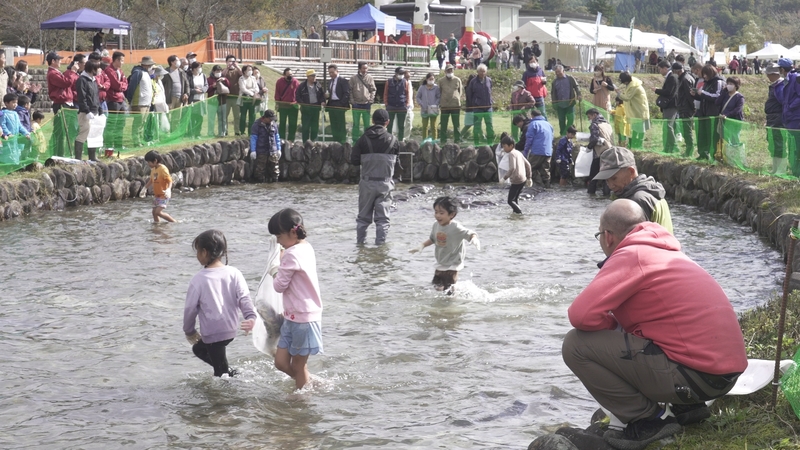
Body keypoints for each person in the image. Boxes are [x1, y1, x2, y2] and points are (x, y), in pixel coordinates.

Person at [561, 198, 746, 449]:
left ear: (607, 236)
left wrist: (611, 328)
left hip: (696, 378)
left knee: (576, 344)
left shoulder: (631, 254)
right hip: (723, 378)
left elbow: (580, 316)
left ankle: (649, 420)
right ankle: (687, 407)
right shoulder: (666, 251)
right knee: (648, 333)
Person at [184, 229, 256, 378]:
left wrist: (189, 331)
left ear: (204, 252)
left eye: (197, 251)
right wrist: (250, 317)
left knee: (220, 374)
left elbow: (190, 309)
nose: (197, 256)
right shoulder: (234, 272)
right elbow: (244, 297)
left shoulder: (198, 279)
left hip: (212, 332)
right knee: (199, 349)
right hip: (230, 329)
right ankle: (229, 372)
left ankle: (224, 397)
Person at [267, 208, 323, 390]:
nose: (278, 241)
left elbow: (279, 286)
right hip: (293, 316)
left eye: (279, 236)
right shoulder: (306, 247)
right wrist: (283, 262)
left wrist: (275, 268)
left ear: (292, 232)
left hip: (303, 318)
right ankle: (308, 382)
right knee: (281, 362)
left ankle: (302, 398)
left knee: (298, 365)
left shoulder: (292, 254)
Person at [408, 196, 480, 294]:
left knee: (449, 292)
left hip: (453, 264)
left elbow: (469, 233)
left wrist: (474, 238)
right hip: (441, 262)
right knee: (437, 287)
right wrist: (422, 246)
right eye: (436, 212)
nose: (437, 215)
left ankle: (451, 307)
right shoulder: (436, 225)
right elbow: (433, 239)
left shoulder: (455, 227)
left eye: (441, 213)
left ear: (452, 214)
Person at [592, 147, 673, 233]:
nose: (610, 185)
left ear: (631, 171)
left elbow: (635, 242)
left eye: (614, 178)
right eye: (606, 180)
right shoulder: (652, 191)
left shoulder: (636, 201)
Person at [351, 109, 402, 245]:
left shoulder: (363, 139)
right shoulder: (394, 141)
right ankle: (380, 248)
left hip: (367, 184)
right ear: (387, 122)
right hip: (385, 184)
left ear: (373, 121)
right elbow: (398, 164)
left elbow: (354, 160)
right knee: (383, 220)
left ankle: (360, 246)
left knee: (363, 219)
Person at [690, 64, 724, 160]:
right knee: (702, 134)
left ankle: (714, 155)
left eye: (706, 74)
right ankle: (703, 154)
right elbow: (703, 98)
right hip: (703, 112)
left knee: (712, 136)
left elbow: (717, 96)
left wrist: (703, 93)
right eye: (703, 74)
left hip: (713, 113)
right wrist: (695, 95)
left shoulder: (718, 82)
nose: (704, 76)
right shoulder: (706, 83)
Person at [46, 52, 73, 157]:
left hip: (65, 102)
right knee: (61, 130)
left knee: (65, 129)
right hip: (60, 103)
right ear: (53, 61)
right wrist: (71, 72)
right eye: (59, 59)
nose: (61, 61)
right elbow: (66, 83)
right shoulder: (53, 73)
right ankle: (59, 154)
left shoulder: (56, 72)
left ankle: (63, 153)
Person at [776, 58, 800, 175]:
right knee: (793, 145)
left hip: (796, 117)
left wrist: (790, 106)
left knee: (797, 144)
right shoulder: (786, 80)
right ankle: (794, 170)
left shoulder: (795, 78)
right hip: (790, 117)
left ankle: (797, 171)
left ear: (782, 69)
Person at [75, 60, 101, 161]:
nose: (99, 70)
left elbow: (96, 96)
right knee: (83, 133)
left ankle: (92, 157)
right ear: (92, 69)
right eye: (97, 68)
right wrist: (87, 111)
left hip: (94, 111)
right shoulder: (82, 80)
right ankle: (78, 158)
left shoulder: (94, 80)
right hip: (85, 113)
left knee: (94, 135)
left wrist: (100, 109)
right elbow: (82, 97)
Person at [125, 56, 155, 147]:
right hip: (139, 103)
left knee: (142, 123)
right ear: (145, 65)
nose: (151, 66)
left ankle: (139, 140)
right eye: (150, 64)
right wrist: (130, 99)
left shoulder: (146, 73)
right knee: (138, 123)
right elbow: (132, 87)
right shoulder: (138, 73)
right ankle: (136, 141)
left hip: (146, 103)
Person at [617, 71, 650, 149]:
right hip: (635, 110)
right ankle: (635, 143)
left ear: (626, 81)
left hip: (639, 110)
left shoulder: (634, 86)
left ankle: (640, 144)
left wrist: (618, 93)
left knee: (641, 129)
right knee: (635, 128)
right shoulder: (631, 83)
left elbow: (627, 98)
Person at [500, 135, 532, 213]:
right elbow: (528, 165)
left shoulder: (511, 154)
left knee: (510, 201)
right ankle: (516, 218)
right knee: (515, 199)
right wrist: (529, 178)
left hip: (517, 180)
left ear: (511, 146)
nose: (503, 148)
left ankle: (520, 213)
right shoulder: (518, 152)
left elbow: (512, 168)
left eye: (504, 146)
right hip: (523, 179)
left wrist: (504, 178)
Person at [585, 108, 614, 195]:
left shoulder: (595, 124)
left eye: (589, 117)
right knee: (606, 177)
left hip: (600, 154)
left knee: (593, 177)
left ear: (594, 115)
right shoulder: (607, 123)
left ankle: (591, 196)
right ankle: (606, 196)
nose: (589, 119)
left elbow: (594, 139)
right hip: (610, 151)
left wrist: (589, 147)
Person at [765, 63, 787, 174]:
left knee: (778, 143)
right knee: (772, 143)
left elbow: (783, 101)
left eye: (768, 74)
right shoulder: (775, 85)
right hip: (771, 117)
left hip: (778, 117)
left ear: (774, 74)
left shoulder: (780, 85)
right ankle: (775, 168)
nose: (767, 76)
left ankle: (781, 169)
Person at [249, 109, 282, 183]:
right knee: (260, 171)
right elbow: (253, 138)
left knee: (275, 171)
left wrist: (278, 149)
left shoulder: (274, 124)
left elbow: (277, 137)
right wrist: (253, 150)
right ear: (265, 117)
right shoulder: (256, 124)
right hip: (261, 151)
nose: (271, 121)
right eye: (270, 119)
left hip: (273, 151)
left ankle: (274, 184)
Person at [523, 109, 554, 187]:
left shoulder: (533, 124)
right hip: (548, 151)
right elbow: (552, 138)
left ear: (532, 116)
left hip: (537, 151)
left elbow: (529, 139)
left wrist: (525, 152)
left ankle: (539, 185)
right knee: (545, 170)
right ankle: (547, 186)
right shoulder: (548, 124)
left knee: (530, 168)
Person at [143, 150, 176, 223]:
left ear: (155, 161)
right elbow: (151, 180)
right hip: (157, 195)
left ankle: (174, 222)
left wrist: (168, 189)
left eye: (149, 162)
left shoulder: (163, 169)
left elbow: (169, 180)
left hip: (163, 195)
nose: (148, 164)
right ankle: (157, 226)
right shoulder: (153, 170)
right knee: (154, 212)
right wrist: (145, 188)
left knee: (158, 212)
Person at [466, 64, 495, 145]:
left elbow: (490, 90)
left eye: (484, 71)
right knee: (477, 126)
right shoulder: (473, 82)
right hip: (478, 108)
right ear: (477, 72)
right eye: (481, 71)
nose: (482, 73)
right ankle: (476, 143)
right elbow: (469, 94)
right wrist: (474, 103)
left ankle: (490, 142)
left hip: (488, 107)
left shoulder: (489, 80)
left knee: (489, 125)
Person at [104, 51, 127, 150]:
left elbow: (125, 84)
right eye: (121, 60)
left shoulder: (120, 71)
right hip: (113, 100)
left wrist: (121, 86)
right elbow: (116, 85)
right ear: (116, 60)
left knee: (121, 124)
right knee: (112, 124)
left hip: (121, 100)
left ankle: (119, 144)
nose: (123, 63)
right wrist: (121, 86)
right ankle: (109, 145)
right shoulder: (109, 71)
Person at [654, 60, 679, 153]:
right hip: (669, 105)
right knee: (667, 126)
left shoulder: (672, 77)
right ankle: (668, 147)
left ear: (665, 68)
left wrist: (657, 90)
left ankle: (674, 146)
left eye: (660, 69)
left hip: (671, 105)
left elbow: (669, 92)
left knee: (668, 126)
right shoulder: (670, 76)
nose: (659, 71)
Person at [550, 65, 581, 137]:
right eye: (556, 72)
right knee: (561, 120)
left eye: (559, 72)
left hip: (570, 103)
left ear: (563, 71)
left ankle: (567, 133)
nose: (557, 73)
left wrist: (578, 94)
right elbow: (553, 93)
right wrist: (554, 102)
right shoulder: (554, 82)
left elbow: (576, 86)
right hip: (560, 104)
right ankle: (562, 134)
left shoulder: (570, 78)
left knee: (571, 119)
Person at [716, 76, 745, 151]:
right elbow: (717, 102)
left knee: (734, 139)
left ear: (736, 85)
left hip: (734, 121)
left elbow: (738, 109)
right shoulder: (725, 95)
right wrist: (723, 92)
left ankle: (735, 155)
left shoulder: (739, 97)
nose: (728, 85)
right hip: (724, 121)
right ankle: (726, 156)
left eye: (731, 83)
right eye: (728, 83)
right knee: (725, 138)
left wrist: (727, 115)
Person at [350, 62, 377, 142]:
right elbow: (350, 90)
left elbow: (373, 90)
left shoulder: (370, 78)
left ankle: (367, 139)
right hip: (356, 104)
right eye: (363, 68)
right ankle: (355, 140)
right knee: (356, 124)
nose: (365, 70)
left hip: (366, 104)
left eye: (366, 68)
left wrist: (371, 100)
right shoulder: (353, 78)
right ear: (359, 69)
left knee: (367, 124)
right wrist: (352, 101)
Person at [0, 94, 30, 165]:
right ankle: (7, 166)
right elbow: (2, 125)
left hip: (15, 137)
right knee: (7, 152)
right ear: (6, 103)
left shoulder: (15, 113)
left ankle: (14, 164)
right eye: (13, 102)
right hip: (8, 139)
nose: (15, 104)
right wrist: (8, 133)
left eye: (16, 102)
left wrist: (26, 133)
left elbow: (20, 126)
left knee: (15, 151)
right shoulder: (3, 114)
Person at [296, 69, 324, 142]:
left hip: (315, 108)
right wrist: (303, 104)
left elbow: (322, 95)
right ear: (308, 77)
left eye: (315, 75)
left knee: (315, 126)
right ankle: (305, 142)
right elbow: (297, 96)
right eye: (312, 76)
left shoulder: (318, 85)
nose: (314, 77)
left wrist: (322, 101)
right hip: (306, 109)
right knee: (305, 126)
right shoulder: (302, 86)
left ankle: (313, 141)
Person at [673, 62, 696, 157]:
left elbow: (689, 95)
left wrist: (692, 108)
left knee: (687, 130)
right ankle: (688, 149)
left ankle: (689, 150)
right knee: (686, 129)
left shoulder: (685, 79)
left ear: (677, 71)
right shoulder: (686, 77)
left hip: (686, 108)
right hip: (684, 107)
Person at [271, 68, 299, 142]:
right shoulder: (279, 82)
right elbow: (277, 93)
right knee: (282, 123)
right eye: (288, 75)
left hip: (293, 106)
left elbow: (298, 93)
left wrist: (297, 102)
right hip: (283, 106)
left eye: (291, 75)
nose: (290, 76)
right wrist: (277, 103)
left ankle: (291, 139)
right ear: (284, 75)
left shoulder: (295, 82)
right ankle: (281, 139)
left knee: (293, 123)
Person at [325, 64, 350, 144]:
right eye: (329, 73)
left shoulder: (343, 81)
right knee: (333, 123)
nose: (331, 74)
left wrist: (342, 103)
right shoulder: (330, 81)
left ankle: (342, 140)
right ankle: (335, 140)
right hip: (332, 103)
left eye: (332, 72)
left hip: (339, 103)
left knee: (340, 123)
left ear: (337, 71)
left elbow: (346, 93)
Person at [384, 67, 410, 141]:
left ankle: (400, 140)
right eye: (400, 73)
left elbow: (407, 94)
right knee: (389, 125)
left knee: (401, 125)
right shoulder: (388, 82)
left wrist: (407, 104)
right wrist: (386, 103)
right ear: (396, 73)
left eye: (402, 74)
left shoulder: (405, 82)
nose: (401, 75)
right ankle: (389, 139)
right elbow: (385, 93)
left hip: (402, 106)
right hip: (391, 106)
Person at [439, 64, 462, 143]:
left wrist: (456, 98)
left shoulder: (457, 80)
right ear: (445, 71)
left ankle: (457, 139)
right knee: (443, 124)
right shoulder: (441, 81)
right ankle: (443, 139)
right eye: (448, 70)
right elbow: (439, 92)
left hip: (455, 105)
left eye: (451, 70)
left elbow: (460, 91)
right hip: (444, 106)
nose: (450, 71)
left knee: (456, 124)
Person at [417, 72, 441, 141]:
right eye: (430, 79)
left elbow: (439, 97)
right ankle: (425, 140)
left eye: (433, 79)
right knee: (425, 126)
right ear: (427, 79)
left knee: (434, 126)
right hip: (424, 110)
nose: (431, 80)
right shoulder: (422, 87)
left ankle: (435, 140)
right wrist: (421, 104)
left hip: (433, 109)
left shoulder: (436, 87)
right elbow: (418, 97)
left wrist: (435, 104)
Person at [187, 62, 208, 139]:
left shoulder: (203, 76)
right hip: (193, 100)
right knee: (192, 117)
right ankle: (191, 133)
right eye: (198, 67)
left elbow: (206, 85)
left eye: (200, 67)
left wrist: (202, 90)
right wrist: (195, 90)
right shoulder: (189, 76)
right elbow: (187, 88)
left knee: (200, 117)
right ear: (194, 68)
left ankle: (198, 133)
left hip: (201, 100)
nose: (200, 68)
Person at [222, 55, 243, 135]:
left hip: (236, 97)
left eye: (233, 61)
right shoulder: (225, 70)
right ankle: (225, 131)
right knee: (225, 116)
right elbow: (222, 75)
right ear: (226, 62)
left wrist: (237, 66)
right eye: (229, 61)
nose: (231, 63)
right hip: (226, 97)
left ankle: (237, 131)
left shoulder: (237, 71)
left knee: (237, 116)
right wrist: (228, 67)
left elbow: (242, 74)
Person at [208, 65, 230, 137]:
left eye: (220, 71)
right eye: (217, 71)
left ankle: (222, 132)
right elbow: (206, 89)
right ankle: (210, 133)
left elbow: (229, 87)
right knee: (211, 119)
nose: (219, 72)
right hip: (212, 102)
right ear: (213, 71)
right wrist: (212, 86)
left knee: (222, 118)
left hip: (222, 101)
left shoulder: (224, 79)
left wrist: (225, 80)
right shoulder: (209, 79)